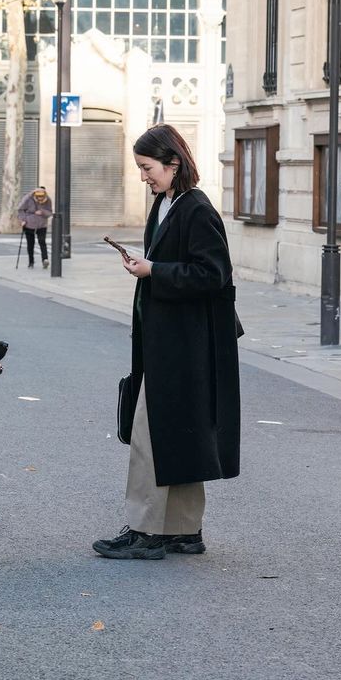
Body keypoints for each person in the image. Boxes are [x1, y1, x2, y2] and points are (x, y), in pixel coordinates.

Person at [93, 124, 240, 560]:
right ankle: (183, 530)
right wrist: (149, 266)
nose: (143, 176)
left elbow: (214, 274)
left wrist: (154, 270)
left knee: (150, 435)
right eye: (140, 169)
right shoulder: (166, 204)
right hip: (172, 341)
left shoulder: (196, 209)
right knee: (182, 434)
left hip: (185, 345)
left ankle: (146, 532)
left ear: (173, 163)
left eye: (148, 168)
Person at [17, 186, 53, 269]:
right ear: (35, 195)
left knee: (42, 241)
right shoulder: (28, 199)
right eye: (38, 196)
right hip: (29, 223)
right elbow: (20, 209)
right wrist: (23, 220)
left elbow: (50, 212)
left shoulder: (48, 200)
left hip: (42, 224)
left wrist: (42, 212)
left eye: (42, 196)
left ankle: (45, 259)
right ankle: (31, 262)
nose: (40, 198)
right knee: (30, 243)